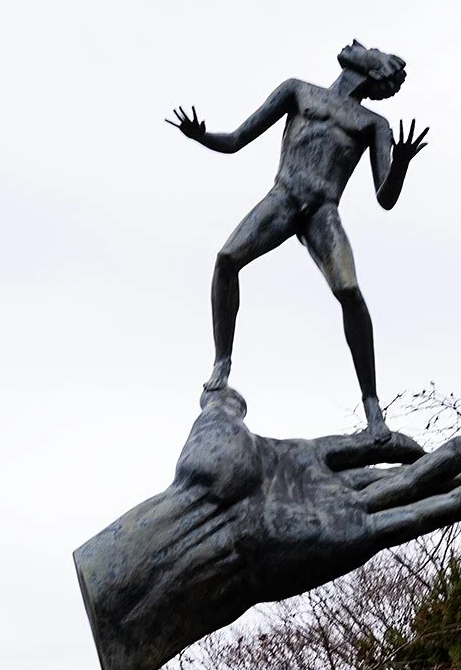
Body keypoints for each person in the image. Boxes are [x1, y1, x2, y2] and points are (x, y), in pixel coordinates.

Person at [170, 40, 428, 442]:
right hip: (284, 197)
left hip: (323, 211)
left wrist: (402, 165)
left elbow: (385, 198)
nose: (357, 44)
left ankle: (373, 408)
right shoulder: (297, 90)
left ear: (375, 71)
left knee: (350, 291)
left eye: (370, 48)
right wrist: (201, 137)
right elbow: (238, 139)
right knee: (226, 259)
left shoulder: (372, 124)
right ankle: (222, 364)